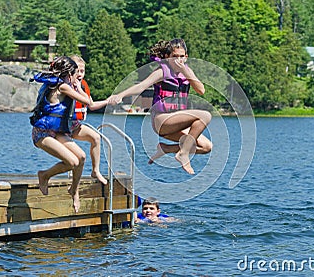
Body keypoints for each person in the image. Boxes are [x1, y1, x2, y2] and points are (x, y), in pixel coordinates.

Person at [109, 38, 212, 174]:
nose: (178, 60)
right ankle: (183, 154)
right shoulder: (162, 72)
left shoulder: (188, 72)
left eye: (182, 57)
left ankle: (167, 149)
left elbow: (201, 90)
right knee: (205, 115)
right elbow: (141, 86)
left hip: (177, 122)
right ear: (166, 57)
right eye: (174, 57)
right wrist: (120, 95)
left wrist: (186, 72)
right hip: (162, 120)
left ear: (186, 57)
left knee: (206, 147)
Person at [30, 56, 108, 213]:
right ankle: (44, 175)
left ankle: (74, 190)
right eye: (75, 73)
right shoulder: (63, 87)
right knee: (72, 162)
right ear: (69, 74)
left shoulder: (58, 83)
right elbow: (86, 102)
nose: (77, 76)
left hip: (56, 131)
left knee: (81, 157)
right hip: (42, 133)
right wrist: (78, 87)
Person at [69, 55, 109, 185]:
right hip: (61, 127)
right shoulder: (66, 84)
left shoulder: (83, 85)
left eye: (82, 71)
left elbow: (91, 105)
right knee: (76, 156)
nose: (80, 74)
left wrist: (108, 101)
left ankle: (95, 171)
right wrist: (78, 89)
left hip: (75, 125)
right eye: (78, 71)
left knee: (96, 138)